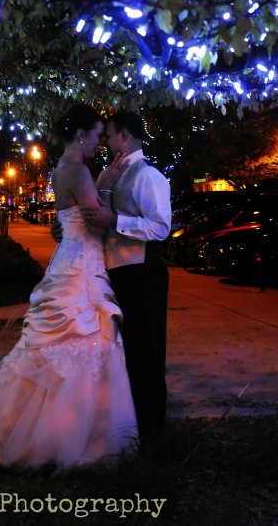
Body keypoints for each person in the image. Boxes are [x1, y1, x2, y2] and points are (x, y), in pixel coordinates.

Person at [0, 104, 137, 470]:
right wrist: (109, 186)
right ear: (80, 134)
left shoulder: (60, 168)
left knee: (61, 349)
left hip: (68, 259)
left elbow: (71, 216)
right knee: (87, 342)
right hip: (81, 267)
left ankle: (46, 436)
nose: (100, 141)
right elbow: (96, 224)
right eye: (96, 135)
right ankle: (80, 439)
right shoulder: (78, 170)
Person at [81, 111, 172, 440]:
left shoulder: (148, 176)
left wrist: (115, 221)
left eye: (110, 135)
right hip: (119, 275)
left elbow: (160, 227)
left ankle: (152, 431)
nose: (105, 141)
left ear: (126, 136)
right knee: (128, 354)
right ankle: (132, 428)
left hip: (144, 274)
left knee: (147, 354)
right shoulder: (113, 173)